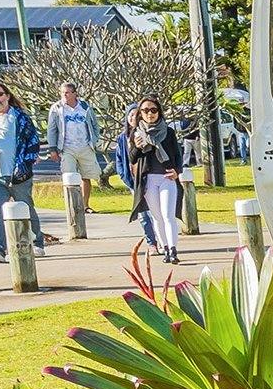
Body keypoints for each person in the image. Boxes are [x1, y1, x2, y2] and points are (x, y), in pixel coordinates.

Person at [0, 82, 47, 264]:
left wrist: (26, 164)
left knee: (27, 208)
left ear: (7, 96)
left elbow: (33, 142)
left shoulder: (19, 117)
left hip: (18, 174)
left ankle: (37, 243)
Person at [123, 97, 186, 263]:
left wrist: (177, 172)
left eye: (153, 110)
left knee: (168, 215)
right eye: (145, 110)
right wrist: (136, 146)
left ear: (159, 111)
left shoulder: (168, 131)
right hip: (149, 180)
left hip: (167, 178)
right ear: (140, 114)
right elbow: (132, 158)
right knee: (157, 217)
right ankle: (164, 247)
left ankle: (173, 250)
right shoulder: (136, 133)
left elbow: (178, 155)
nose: (150, 113)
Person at [48, 81, 108, 202]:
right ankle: (72, 205)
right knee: (69, 177)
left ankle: (85, 205)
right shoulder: (57, 108)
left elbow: (95, 125)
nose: (64, 95)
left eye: (67, 93)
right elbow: (51, 129)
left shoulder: (85, 107)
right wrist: (53, 148)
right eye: (62, 93)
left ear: (75, 93)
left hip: (85, 146)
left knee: (86, 177)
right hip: (67, 148)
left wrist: (94, 140)